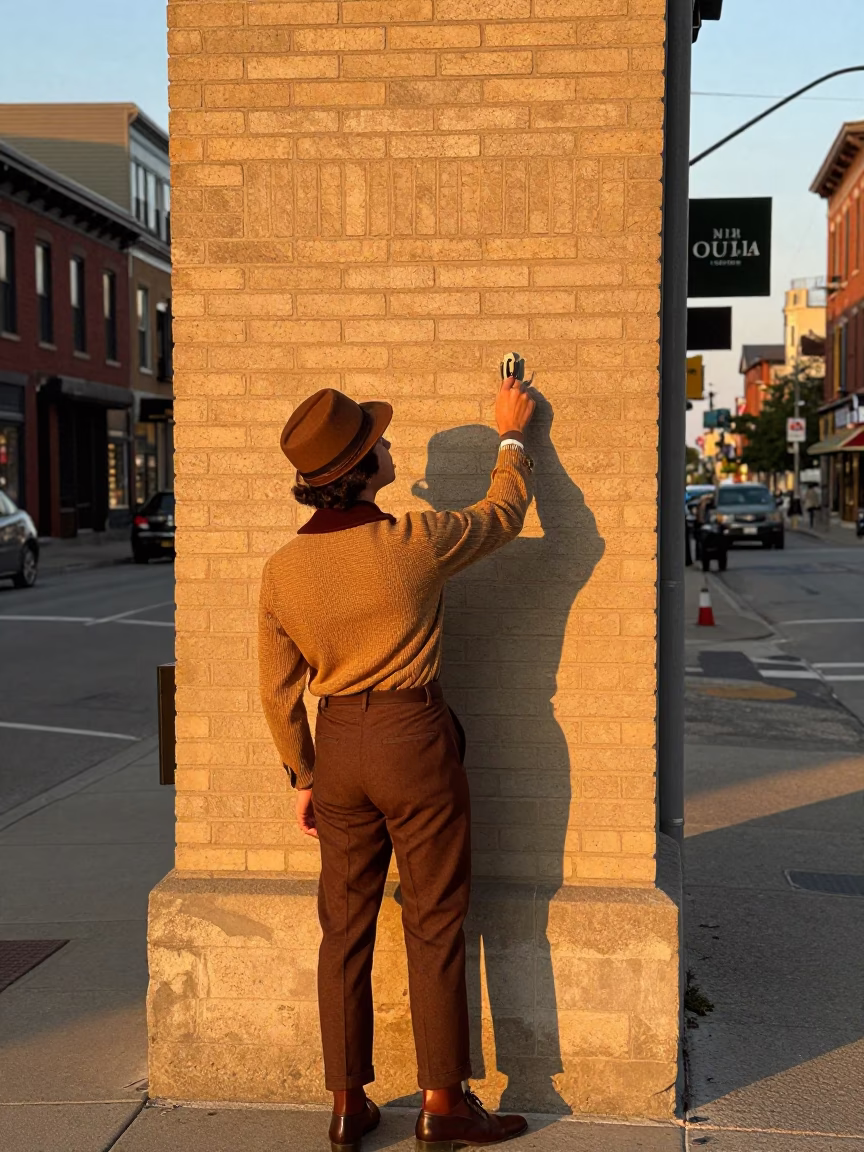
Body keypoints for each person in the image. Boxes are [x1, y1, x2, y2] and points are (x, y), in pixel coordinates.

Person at [258, 376, 536, 1151]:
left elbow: (276, 690)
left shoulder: (283, 569)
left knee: (343, 929)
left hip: (338, 746)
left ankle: (349, 1106)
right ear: (359, 468)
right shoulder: (414, 540)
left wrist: (304, 775)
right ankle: (443, 1104)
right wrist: (512, 436)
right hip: (413, 740)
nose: (388, 444)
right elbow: (504, 514)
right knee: (435, 918)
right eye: (376, 440)